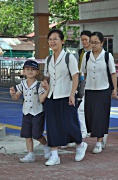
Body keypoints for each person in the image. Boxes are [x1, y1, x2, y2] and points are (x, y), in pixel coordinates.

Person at [43, 29, 87, 166]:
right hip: (51, 97)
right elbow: (47, 77)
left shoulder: (69, 58)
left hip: (66, 96)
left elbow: (75, 77)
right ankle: (54, 155)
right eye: (50, 39)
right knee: (52, 126)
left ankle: (80, 145)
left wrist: (72, 94)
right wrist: (45, 83)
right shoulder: (48, 59)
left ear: (62, 41)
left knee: (70, 124)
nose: (52, 41)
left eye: (55, 38)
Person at [81, 31, 117, 154]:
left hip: (103, 89)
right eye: (92, 42)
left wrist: (115, 89)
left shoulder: (107, 56)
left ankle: (98, 141)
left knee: (100, 116)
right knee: (90, 116)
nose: (93, 45)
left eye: (96, 43)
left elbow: (113, 73)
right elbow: (84, 72)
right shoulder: (87, 56)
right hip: (90, 89)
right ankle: (102, 133)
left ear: (102, 43)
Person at [9, 60, 51, 163]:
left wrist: (46, 90)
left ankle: (46, 145)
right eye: (27, 69)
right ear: (23, 71)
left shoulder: (39, 85)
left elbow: (41, 99)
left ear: (37, 72)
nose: (30, 71)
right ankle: (30, 154)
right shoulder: (22, 84)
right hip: (26, 112)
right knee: (27, 135)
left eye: (33, 70)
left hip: (37, 113)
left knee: (37, 134)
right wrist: (12, 94)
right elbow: (16, 97)